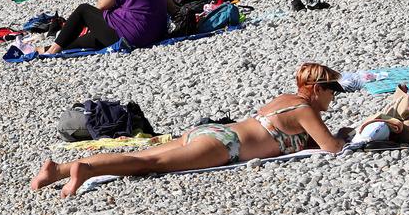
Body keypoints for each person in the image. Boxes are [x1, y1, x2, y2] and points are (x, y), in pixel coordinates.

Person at [32, 63, 348, 198]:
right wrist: (349, 134)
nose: (334, 96)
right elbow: (331, 148)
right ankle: (84, 170)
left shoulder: (287, 100)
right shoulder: (305, 109)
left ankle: (57, 169)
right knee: (147, 165)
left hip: (214, 131)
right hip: (225, 145)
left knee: (138, 154)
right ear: (318, 88)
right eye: (333, 90)